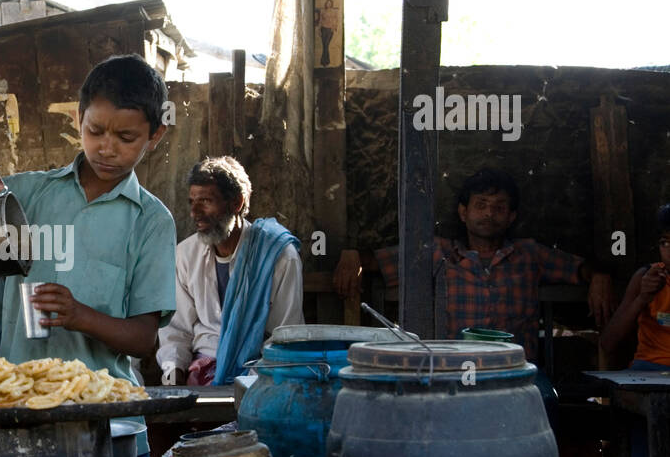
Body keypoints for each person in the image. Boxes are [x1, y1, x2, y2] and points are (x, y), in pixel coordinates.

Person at [0, 53, 177, 455]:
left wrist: (80, 316)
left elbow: (143, 338)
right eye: (95, 130)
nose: (106, 147)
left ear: (155, 135)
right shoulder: (27, 196)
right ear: (78, 118)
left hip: (105, 424)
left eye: (126, 138)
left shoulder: (150, 220)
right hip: (17, 412)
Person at [333, 167, 616, 364]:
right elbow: (371, 262)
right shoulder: (438, 252)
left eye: (499, 206)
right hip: (453, 370)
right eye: (481, 204)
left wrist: (600, 276)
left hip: (515, 373)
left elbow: (582, 268)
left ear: (511, 216)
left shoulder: (529, 255)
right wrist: (351, 255)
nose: (489, 213)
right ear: (463, 212)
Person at [157, 156, 303, 387]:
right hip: (202, 371)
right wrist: (173, 372)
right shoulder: (185, 254)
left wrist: (252, 382)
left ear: (237, 203)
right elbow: (176, 330)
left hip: (260, 372)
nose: (195, 212)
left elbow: (285, 337)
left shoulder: (278, 256)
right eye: (192, 201)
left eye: (205, 201)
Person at [598, 204, 670, 371]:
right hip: (649, 370)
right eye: (665, 242)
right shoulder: (646, 278)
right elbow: (608, 343)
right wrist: (642, 298)